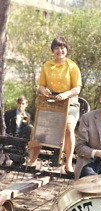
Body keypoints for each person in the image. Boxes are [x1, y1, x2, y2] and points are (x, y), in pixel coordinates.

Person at [29, 36, 82, 172]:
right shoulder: (46, 65)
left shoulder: (72, 66)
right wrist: (44, 91)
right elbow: (41, 86)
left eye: (62, 48)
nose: (60, 51)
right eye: (57, 48)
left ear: (66, 50)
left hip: (69, 102)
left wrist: (65, 94)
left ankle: (68, 163)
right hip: (50, 102)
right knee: (39, 129)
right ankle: (32, 161)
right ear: (53, 50)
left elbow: (77, 88)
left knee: (69, 128)